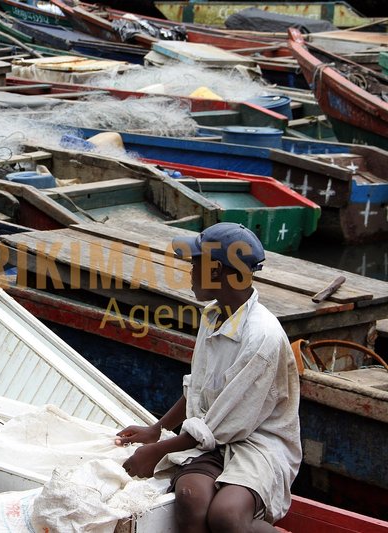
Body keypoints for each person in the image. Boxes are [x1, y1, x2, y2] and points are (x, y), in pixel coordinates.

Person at [116, 222, 301, 531]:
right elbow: (199, 389)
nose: (190, 271)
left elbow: (227, 421)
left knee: (226, 516)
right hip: (213, 438)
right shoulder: (214, 316)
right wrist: (157, 430)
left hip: (257, 444)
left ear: (217, 270)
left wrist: (157, 451)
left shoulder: (261, 336)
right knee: (191, 497)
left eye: (195, 263)